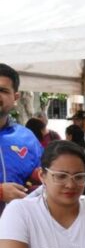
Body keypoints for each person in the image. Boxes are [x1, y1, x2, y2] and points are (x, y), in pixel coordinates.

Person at [0, 63, 43, 216]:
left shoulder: (27, 138)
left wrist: (39, 176)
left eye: (3, 90)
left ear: (15, 97)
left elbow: (42, 176)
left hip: (18, 231)